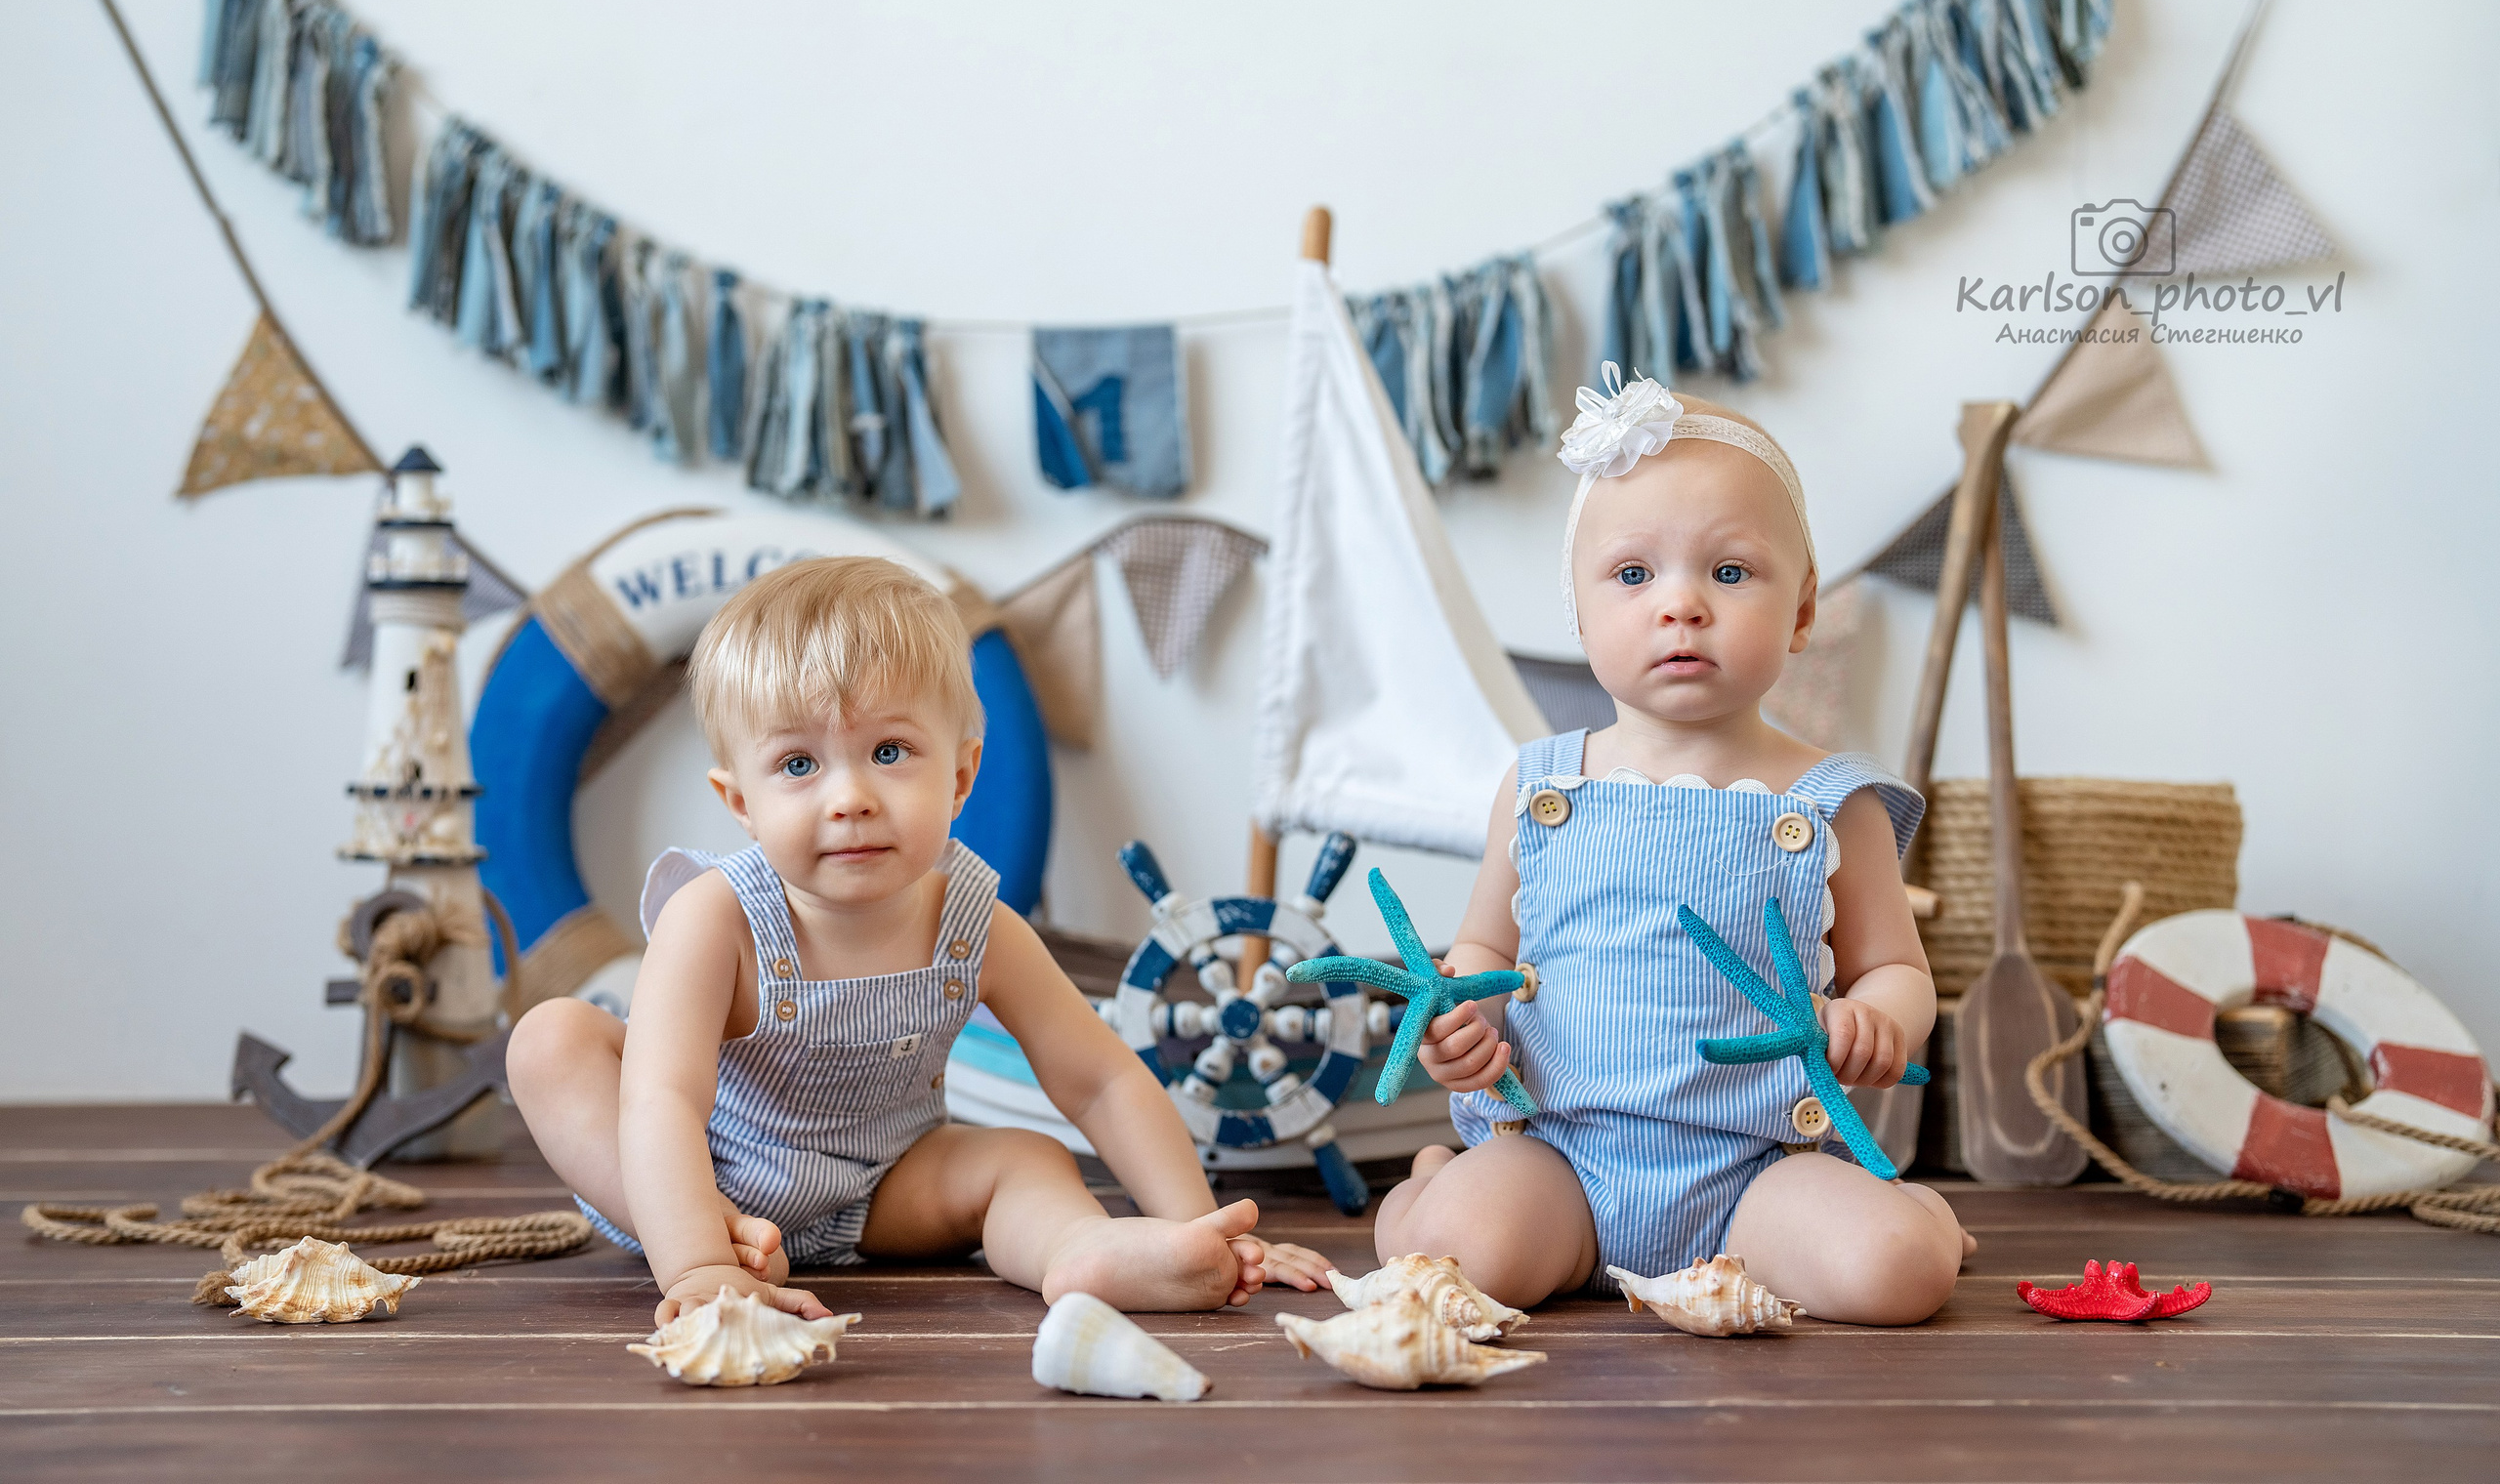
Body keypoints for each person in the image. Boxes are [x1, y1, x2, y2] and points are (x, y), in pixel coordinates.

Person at [510, 556, 1332, 1325]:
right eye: (798, 766)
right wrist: (698, 1260)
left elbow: (1103, 1081)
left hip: (885, 1188)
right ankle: (710, 1251)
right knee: (552, 1040)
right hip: (698, 1173)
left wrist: (1202, 1224)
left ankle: (1080, 1252)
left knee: (1026, 1157)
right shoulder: (716, 916)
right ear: (740, 803)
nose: (850, 797)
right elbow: (664, 1101)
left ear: (962, 776)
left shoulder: (976, 924)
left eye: (890, 751)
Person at [1373, 366, 1972, 1323]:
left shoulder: (1829, 803)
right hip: (1557, 1158)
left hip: (1750, 1176)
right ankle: (1425, 1186)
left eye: (1729, 573)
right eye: (1633, 574)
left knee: (1893, 1275)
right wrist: (1462, 1025)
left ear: (1804, 609)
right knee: (1456, 1258)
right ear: (1578, 608)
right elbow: (1483, 953)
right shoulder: (1540, 787)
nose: (1681, 604)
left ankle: (1928, 1217)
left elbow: (1898, 968)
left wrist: (1880, 1020)